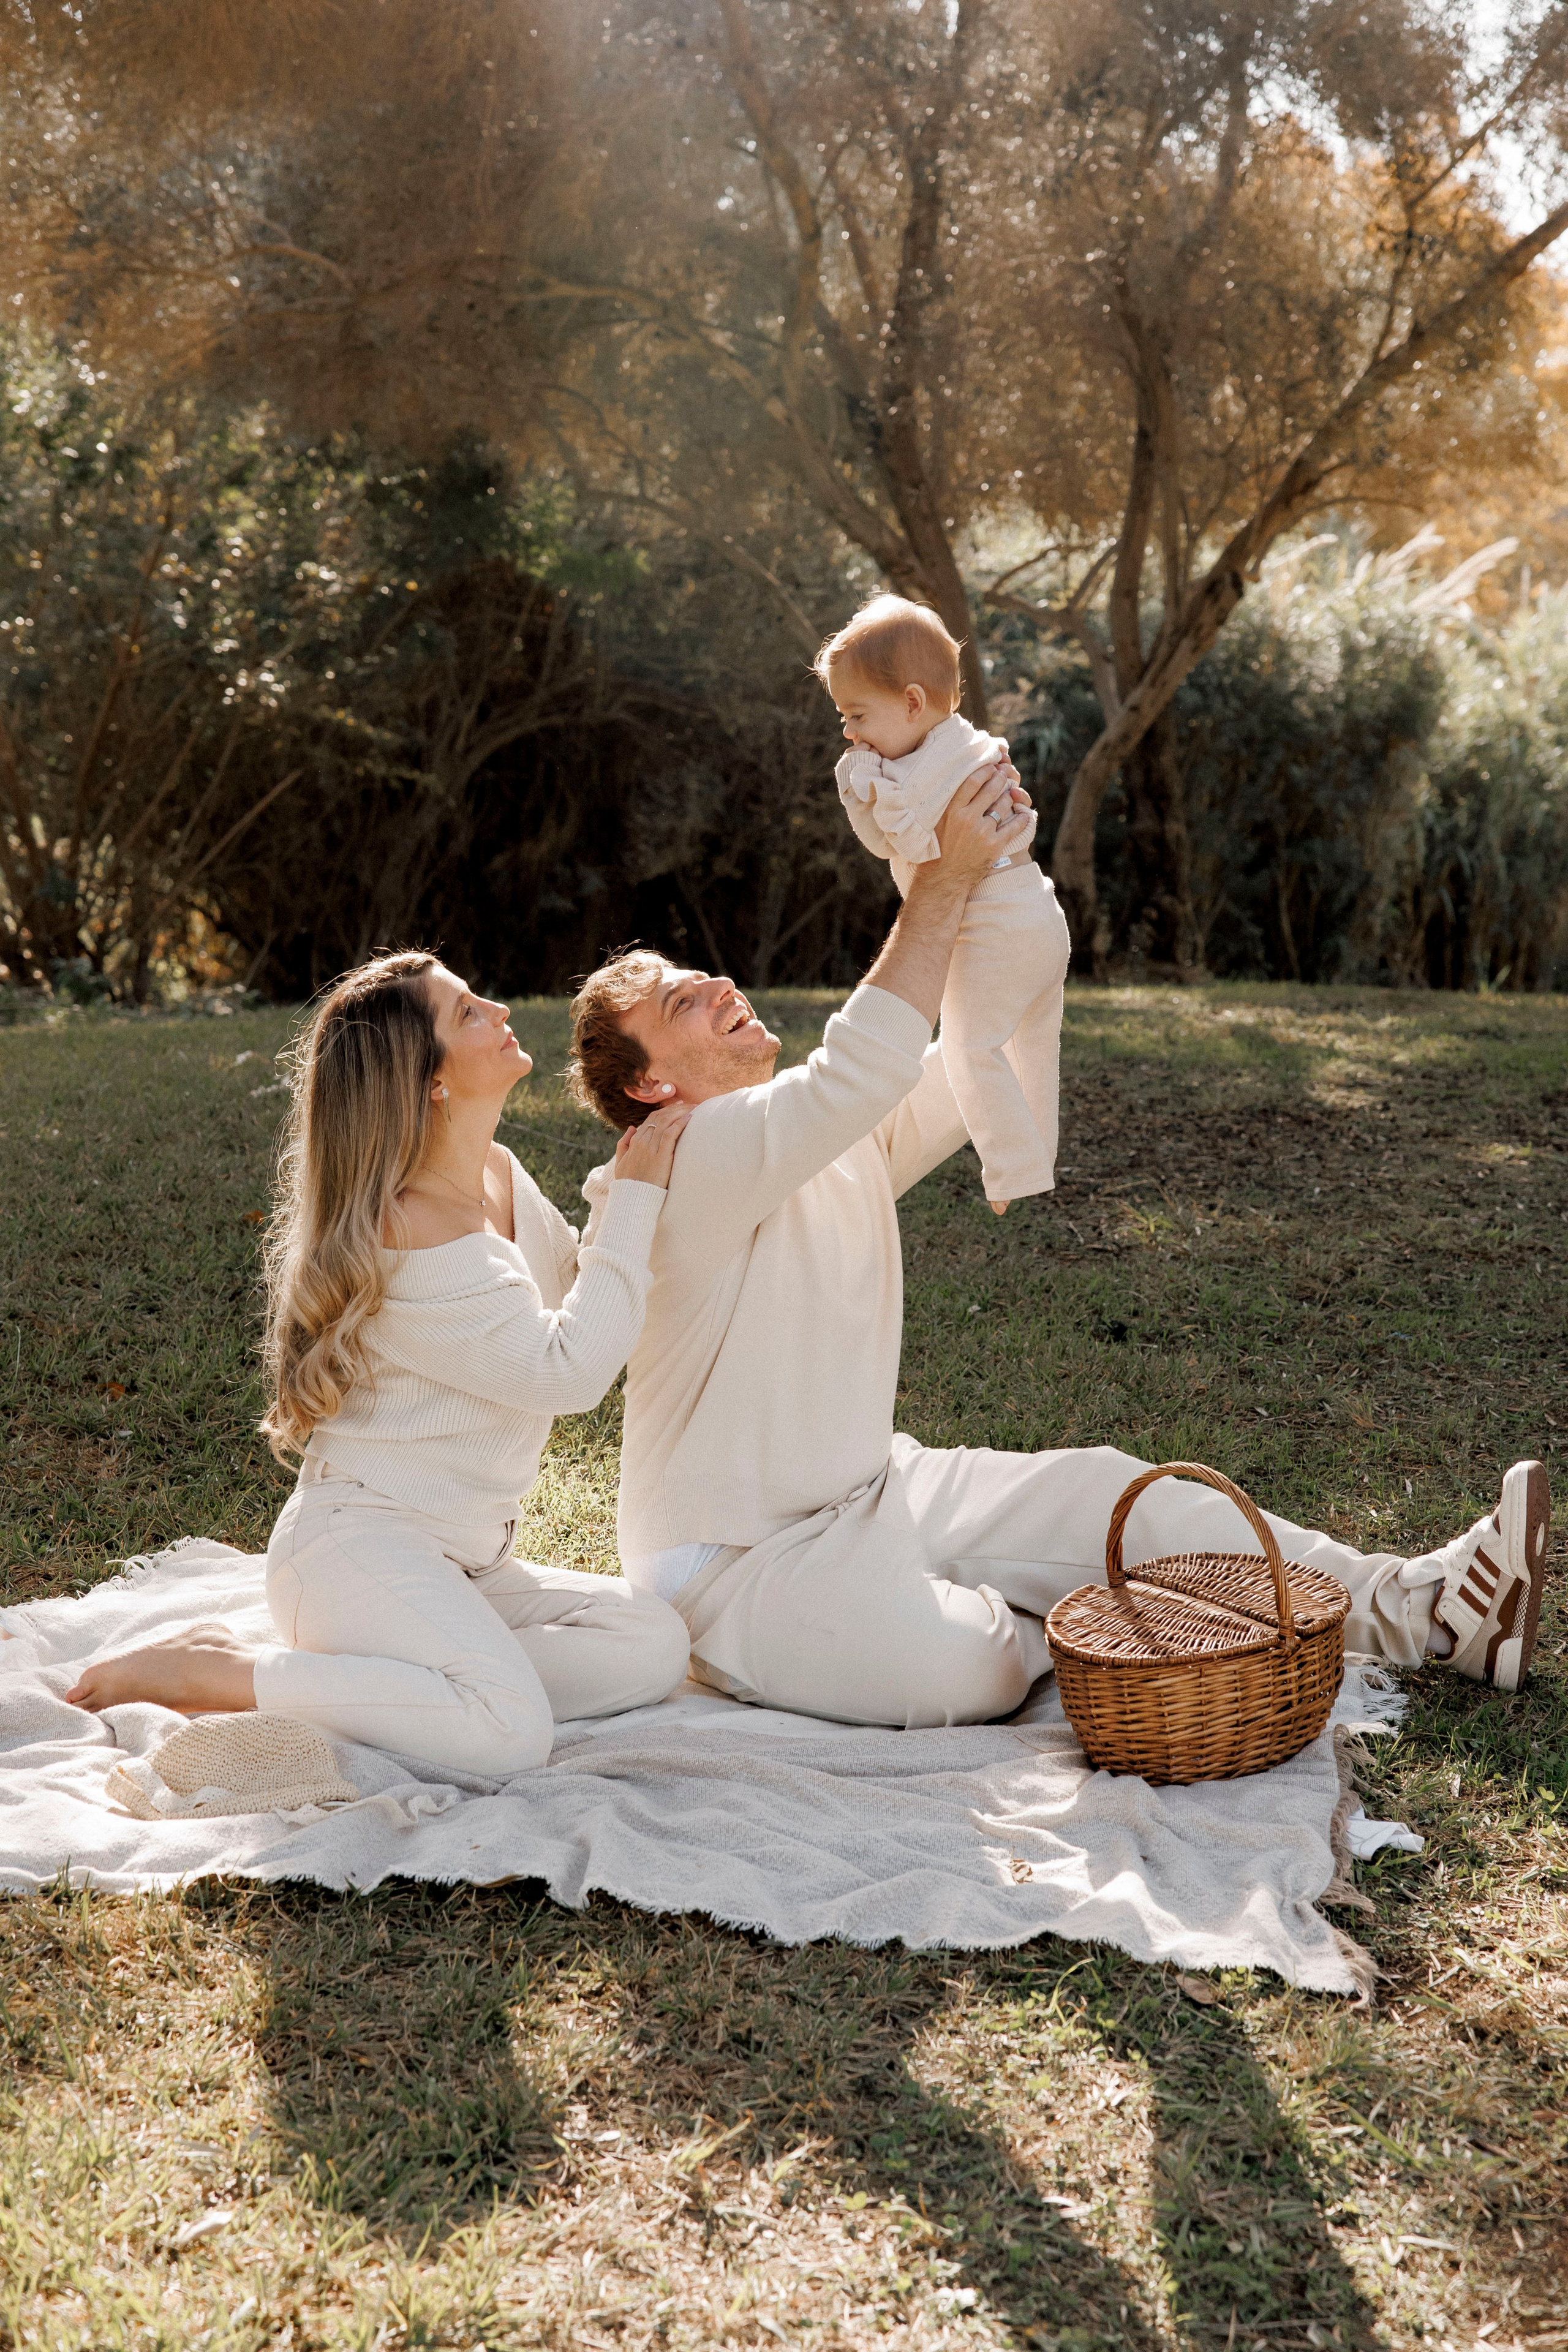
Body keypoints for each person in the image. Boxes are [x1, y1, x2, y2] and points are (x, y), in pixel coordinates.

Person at [564, 775, 1551, 1730]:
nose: (719, 985)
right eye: (682, 1003)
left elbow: (974, 1058)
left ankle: (1432, 1611)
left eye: (701, 976)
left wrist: (1002, 876)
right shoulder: (683, 1158)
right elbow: (865, 1064)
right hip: (735, 1559)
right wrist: (940, 881)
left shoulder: (812, 1135)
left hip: (870, 1487)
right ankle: (1081, 1629)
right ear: (650, 1087)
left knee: (1115, 1495)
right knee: (973, 1670)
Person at [67, 951, 693, 1773]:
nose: (500, 1010)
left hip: (468, 1563)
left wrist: (635, 1179)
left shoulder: (499, 1175)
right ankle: (221, 1674)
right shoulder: (408, 1226)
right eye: (468, 1012)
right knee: (508, 1735)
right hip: (356, 1549)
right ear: (429, 1080)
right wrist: (636, 1191)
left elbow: (589, 1294)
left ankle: (408, 1680)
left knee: (652, 1642)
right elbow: (567, 1370)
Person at [820, 593, 1071, 1213]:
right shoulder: (965, 746)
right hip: (1039, 917)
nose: (850, 733)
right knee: (1034, 1046)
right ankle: (1035, 1156)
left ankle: (1009, 1173)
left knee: (967, 1048)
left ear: (912, 702)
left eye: (857, 715)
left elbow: (896, 841)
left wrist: (857, 783)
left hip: (996, 930)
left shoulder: (929, 770)